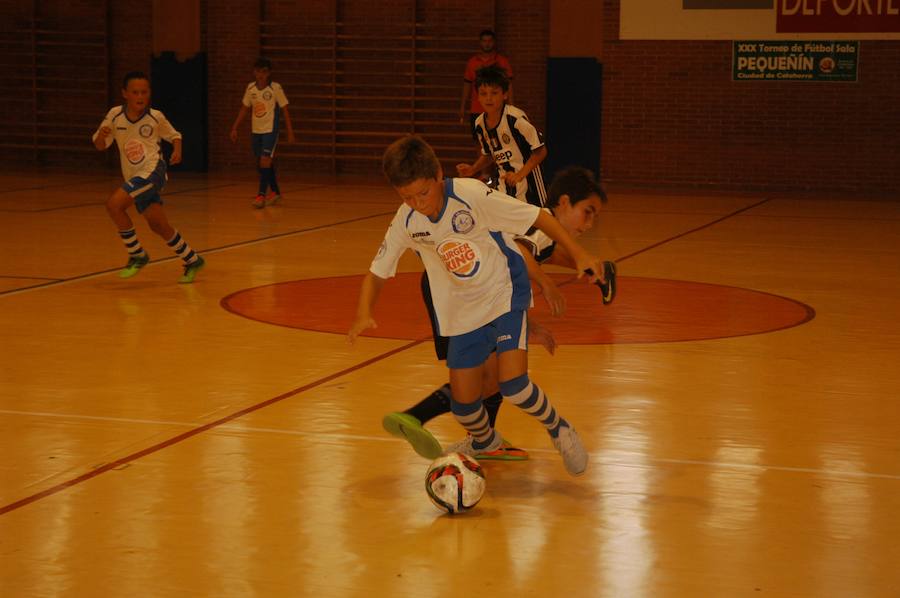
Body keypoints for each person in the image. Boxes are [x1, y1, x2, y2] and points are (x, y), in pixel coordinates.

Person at [348, 136, 604, 476]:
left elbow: (539, 218)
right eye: (406, 196)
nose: (417, 203)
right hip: (462, 312)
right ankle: (486, 442)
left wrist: (579, 253)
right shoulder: (407, 219)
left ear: (439, 175)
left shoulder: (470, 195)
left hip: (503, 293)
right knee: (465, 408)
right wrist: (364, 311)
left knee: (513, 384)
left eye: (422, 193)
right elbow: (378, 272)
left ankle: (560, 429)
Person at [92, 71, 205, 283]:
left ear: (149, 94)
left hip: (153, 172)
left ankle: (137, 255)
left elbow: (175, 135)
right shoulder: (115, 115)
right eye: (135, 92)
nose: (140, 96)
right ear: (125, 94)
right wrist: (102, 136)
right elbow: (100, 145)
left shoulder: (155, 116)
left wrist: (177, 150)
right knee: (158, 225)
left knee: (114, 205)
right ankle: (192, 259)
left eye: (144, 92)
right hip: (134, 176)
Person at [456, 65, 548, 207]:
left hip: (530, 184)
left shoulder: (514, 118)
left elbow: (541, 151)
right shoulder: (479, 124)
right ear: (477, 97)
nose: (489, 98)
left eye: (494, 93)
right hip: (504, 185)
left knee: (539, 225)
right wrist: (473, 169)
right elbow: (489, 155)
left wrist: (520, 175)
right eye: (483, 93)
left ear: (504, 94)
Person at [229, 57, 296, 209]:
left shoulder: (275, 88)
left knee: (264, 161)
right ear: (254, 72)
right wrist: (235, 127)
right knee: (261, 164)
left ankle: (261, 195)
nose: (261, 75)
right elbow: (244, 108)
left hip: (270, 130)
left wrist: (290, 132)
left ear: (269, 73)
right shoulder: (250, 88)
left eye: (264, 72)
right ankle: (276, 191)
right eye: (258, 72)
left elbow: (285, 109)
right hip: (256, 131)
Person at [459, 30, 513, 136]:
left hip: (498, 109)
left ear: (494, 42)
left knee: (499, 139)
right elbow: (467, 85)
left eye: (489, 41)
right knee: (478, 141)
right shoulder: (472, 62)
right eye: (484, 41)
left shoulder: (502, 61)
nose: (487, 44)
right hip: (476, 109)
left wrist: (511, 106)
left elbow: (509, 86)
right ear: (480, 42)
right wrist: (462, 107)